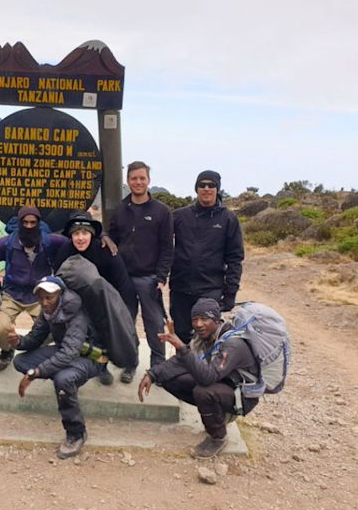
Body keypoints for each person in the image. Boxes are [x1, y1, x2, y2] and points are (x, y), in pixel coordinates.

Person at [138, 298, 258, 459]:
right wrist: (152, 374)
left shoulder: (232, 344)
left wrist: (181, 347)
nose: (198, 324)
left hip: (241, 395)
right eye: (195, 319)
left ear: (217, 320)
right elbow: (182, 360)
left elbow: (207, 378)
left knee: (203, 390)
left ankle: (218, 437)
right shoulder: (205, 336)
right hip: (223, 382)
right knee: (170, 379)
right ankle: (216, 413)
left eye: (204, 319)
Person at [8, 276, 106, 459]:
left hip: (91, 357)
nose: (44, 302)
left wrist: (36, 373)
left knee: (63, 379)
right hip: (66, 353)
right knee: (21, 362)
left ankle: (76, 433)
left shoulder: (76, 314)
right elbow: (36, 338)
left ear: (60, 295)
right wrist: (18, 341)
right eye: (41, 297)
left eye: (49, 297)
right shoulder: (48, 311)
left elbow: (69, 352)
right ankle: (65, 384)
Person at [0, 205, 70, 371]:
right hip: (12, 293)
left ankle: (33, 353)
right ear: (20, 223)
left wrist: (102, 238)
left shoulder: (50, 241)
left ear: (38, 223)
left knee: (51, 330)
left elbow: (75, 244)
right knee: (1, 327)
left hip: (39, 295)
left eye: (32, 222)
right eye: (25, 222)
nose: (28, 226)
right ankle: (7, 351)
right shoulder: (8, 243)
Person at [53, 211, 137, 385]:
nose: (81, 238)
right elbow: (59, 282)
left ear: (91, 234)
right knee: (92, 336)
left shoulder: (106, 251)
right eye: (76, 234)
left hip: (111, 298)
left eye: (85, 233)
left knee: (121, 331)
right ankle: (101, 366)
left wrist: (125, 311)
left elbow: (123, 282)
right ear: (71, 236)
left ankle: (130, 363)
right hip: (81, 301)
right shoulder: (64, 252)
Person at [108, 161, 174, 382]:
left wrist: (162, 276)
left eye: (142, 178)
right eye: (134, 178)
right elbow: (112, 236)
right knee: (126, 323)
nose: (138, 182)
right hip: (124, 278)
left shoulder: (162, 211)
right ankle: (130, 363)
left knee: (154, 324)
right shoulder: (120, 209)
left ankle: (158, 369)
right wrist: (106, 239)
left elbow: (167, 247)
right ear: (128, 181)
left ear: (148, 180)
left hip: (150, 278)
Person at [169, 170, 244, 344]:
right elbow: (159, 242)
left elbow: (235, 259)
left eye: (211, 185)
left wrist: (230, 293)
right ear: (196, 189)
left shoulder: (228, 219)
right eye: (202, 185)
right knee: (181, 335)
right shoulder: (180, 216)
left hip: (210, 289)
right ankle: (184, 369)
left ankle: (206, 371)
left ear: (218, 189)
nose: (207, 189)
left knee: (206, 336)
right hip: (181, 288)